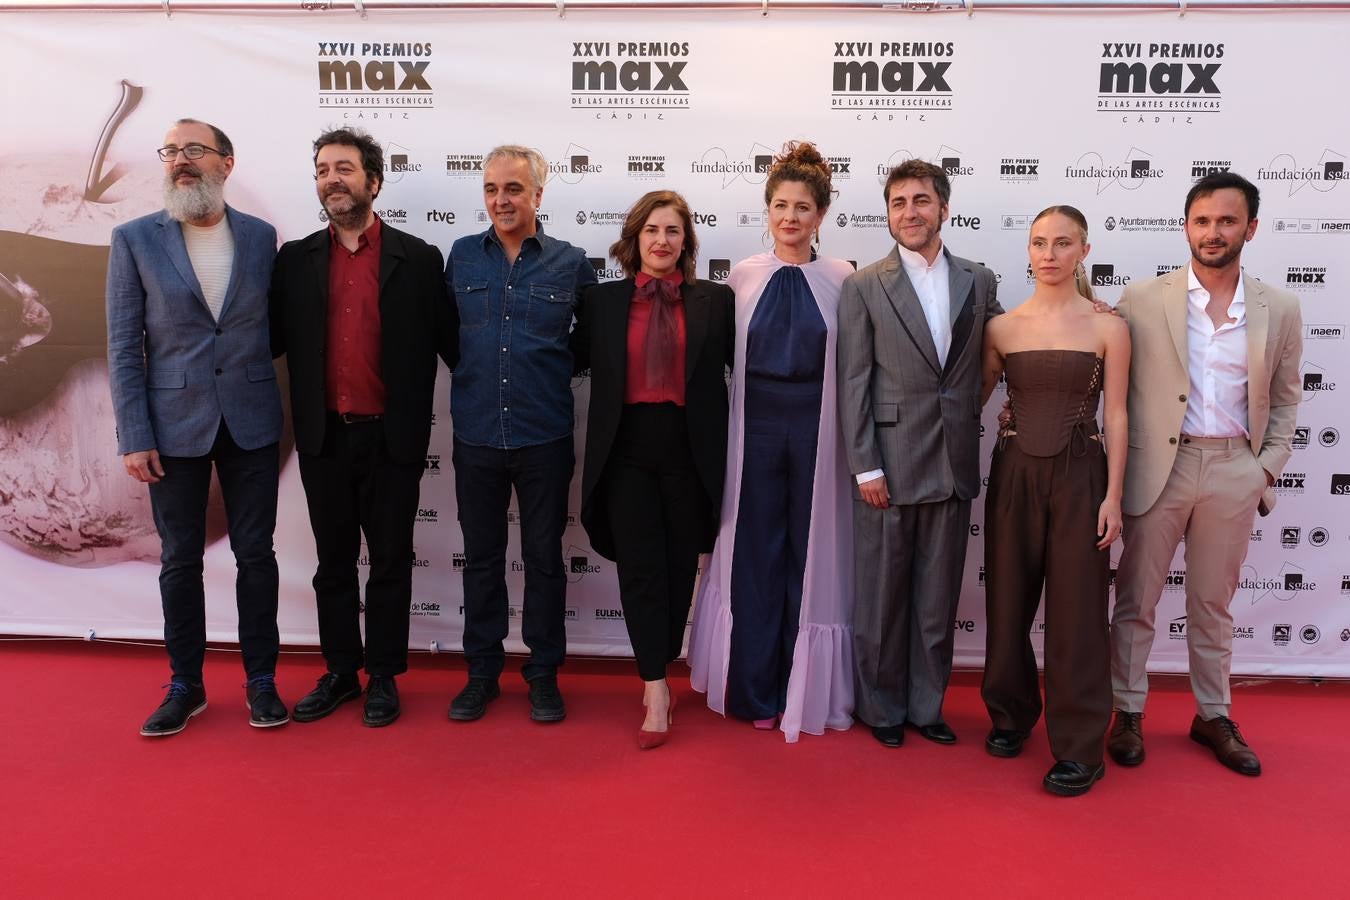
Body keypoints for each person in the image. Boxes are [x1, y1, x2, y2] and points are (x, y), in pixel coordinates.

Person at [1107, 172, 1303, 776]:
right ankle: (1127, 710)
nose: (1213, 232)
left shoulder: (1281, 308)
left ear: (1251, 228)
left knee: (1213, 604)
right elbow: (1110, 379)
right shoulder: (1142, 299)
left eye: (1226, 221)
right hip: (1158, 468)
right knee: (1137, 599)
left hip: (1233, 469)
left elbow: (1287, 400)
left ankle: (1213, 714)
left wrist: (1263, 470)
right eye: (1202, 221)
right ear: (1186, 227)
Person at [270, 128, 458, 727]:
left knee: (391, 562)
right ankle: (340, 673)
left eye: (344, 169)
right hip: (323, 437)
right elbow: (268, 340)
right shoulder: (294, 261)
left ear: (373, 182)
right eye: (323, 170)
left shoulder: (419, 258)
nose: (332, 179)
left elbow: (454, 346)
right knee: (332, 564)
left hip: (392, 438)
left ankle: (383, 675)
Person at [107, 118, 286, 736]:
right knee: (180, 561)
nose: (179, 160)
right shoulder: (134, 239)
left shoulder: (261, 237)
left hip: (252, 419)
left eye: (193, 150)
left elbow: (274, 326)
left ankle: (262, 680)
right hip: (171, 426)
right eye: (171, 151)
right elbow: (124, 346)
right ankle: (186, 685)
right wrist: (135, 435)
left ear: (225, 164)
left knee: (256, 556)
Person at [688, 141, 856, 743]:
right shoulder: (742, 277)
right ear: (767, 210)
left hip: (819, 437)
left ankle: (803, 687)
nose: (790, 217)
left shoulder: (844, 279)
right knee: (756, 556)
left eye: (803, 207)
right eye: (781, 205)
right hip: (754, 435)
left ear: (821, 214)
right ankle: (755, 687)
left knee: (809, 557)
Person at [837, 159, 1003, 749]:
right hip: (888, 463)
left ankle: (926, 705)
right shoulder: (863, 285)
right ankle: (881, 708)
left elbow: (1010, 342)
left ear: (944, 209)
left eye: (921, 201)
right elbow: (853, 381)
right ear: (888, 214)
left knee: (937, 600)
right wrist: (865, 465)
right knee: (882, 600)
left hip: (954, 461)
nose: (910, 212)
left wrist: (1087, 312)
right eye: (899, 202)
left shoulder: (979, 280)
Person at [571, 190, 734, 749]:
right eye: (651, 230)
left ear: (686, 240)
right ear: (634, 238)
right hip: (626, 450)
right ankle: (655, 686)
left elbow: (747, 368)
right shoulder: (602, 302)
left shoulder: (715, 301)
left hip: (691, 449)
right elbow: (560, 359)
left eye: (672, 230)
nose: (662, 241)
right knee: (640, 568)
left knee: (679, 567)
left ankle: (660, 661)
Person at [979, 206, 1130, 796]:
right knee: (1008, 600)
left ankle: (1080, 746)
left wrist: (1113, 496)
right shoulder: (1001, 328)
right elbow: (969, 401)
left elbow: (1117, 415)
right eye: (1039, 242)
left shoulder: (1109, 327)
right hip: (1014, 472)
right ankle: (1010, 714)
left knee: (1078, 615)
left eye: (1063, 243)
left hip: (1082, 476)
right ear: (1028, 250)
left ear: (1084, 251)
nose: (1049, 253)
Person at [445, 146, 597, 724]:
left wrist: (550, 371)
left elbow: (589, 342)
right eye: (491, 189)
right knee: (482, 560)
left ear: (538, 194)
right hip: (477, 435)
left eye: (513, 188)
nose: (501, 200)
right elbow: (448, 335)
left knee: (544, 560)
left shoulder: (570, 262)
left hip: (544, 436)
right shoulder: (462, 256)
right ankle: (482, 674)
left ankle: (543, 674)